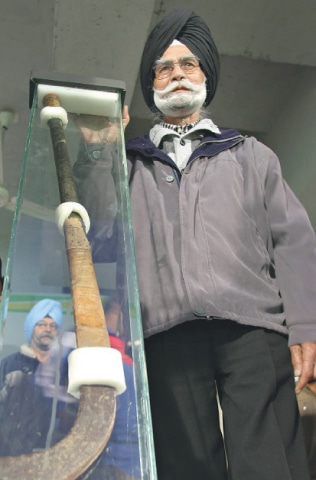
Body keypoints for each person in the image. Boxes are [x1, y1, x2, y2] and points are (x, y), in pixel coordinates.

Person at [73, 8, 316, 480]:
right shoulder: (129, 163)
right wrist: (102, 148)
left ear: (205, 74)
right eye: (164, 67)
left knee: (270, 464)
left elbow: (293, 239)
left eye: (189, 63)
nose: (177, 73)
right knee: (185, 467)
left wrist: (306, 325)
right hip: (165, 334)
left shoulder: (250, 155)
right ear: (152, 84)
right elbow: (101, 226)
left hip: (254, 330)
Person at [0, 298, 74, 456]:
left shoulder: (65, 369)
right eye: (41, 324)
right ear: (31, 327)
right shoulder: (9, 365)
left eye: (53, 326)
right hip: (10, 452)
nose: (48, 329)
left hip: (52, 452)